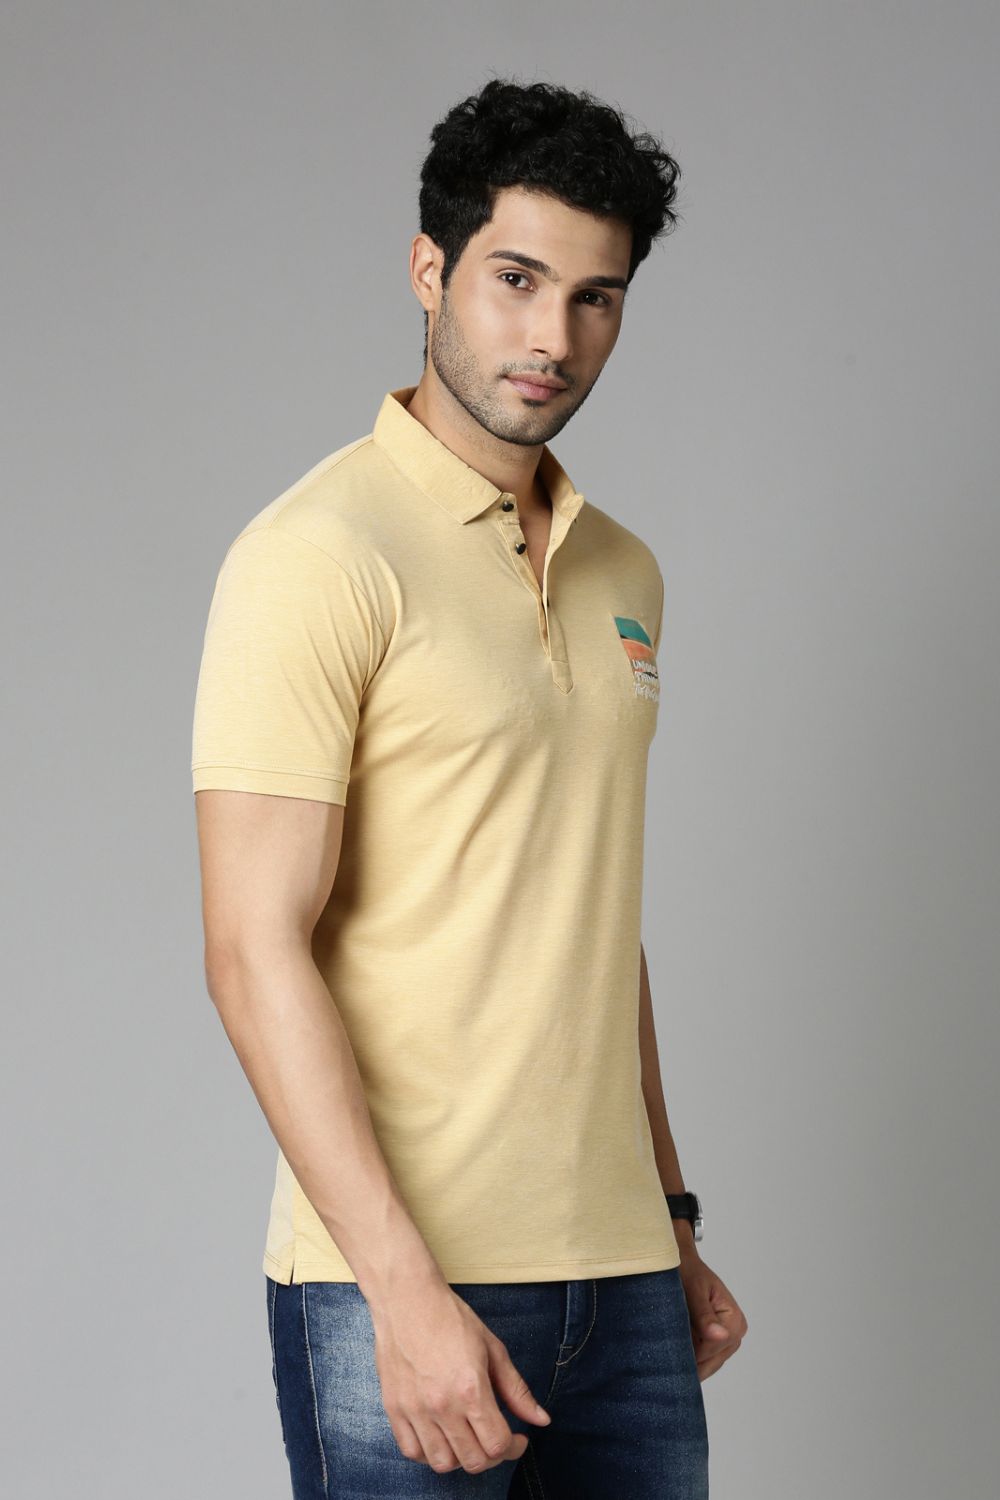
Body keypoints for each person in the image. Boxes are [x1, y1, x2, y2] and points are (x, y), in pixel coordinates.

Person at [191, 76, 747, 1498]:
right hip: (401, 1278)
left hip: (625, 1281)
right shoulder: (316, 554)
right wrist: (401, 1288)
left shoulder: (625, 571)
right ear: (429, 269)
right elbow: (253, 949)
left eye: (595, 297)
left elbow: (588, 917)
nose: (553, 337)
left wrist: (670, 1220)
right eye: (516, 280)